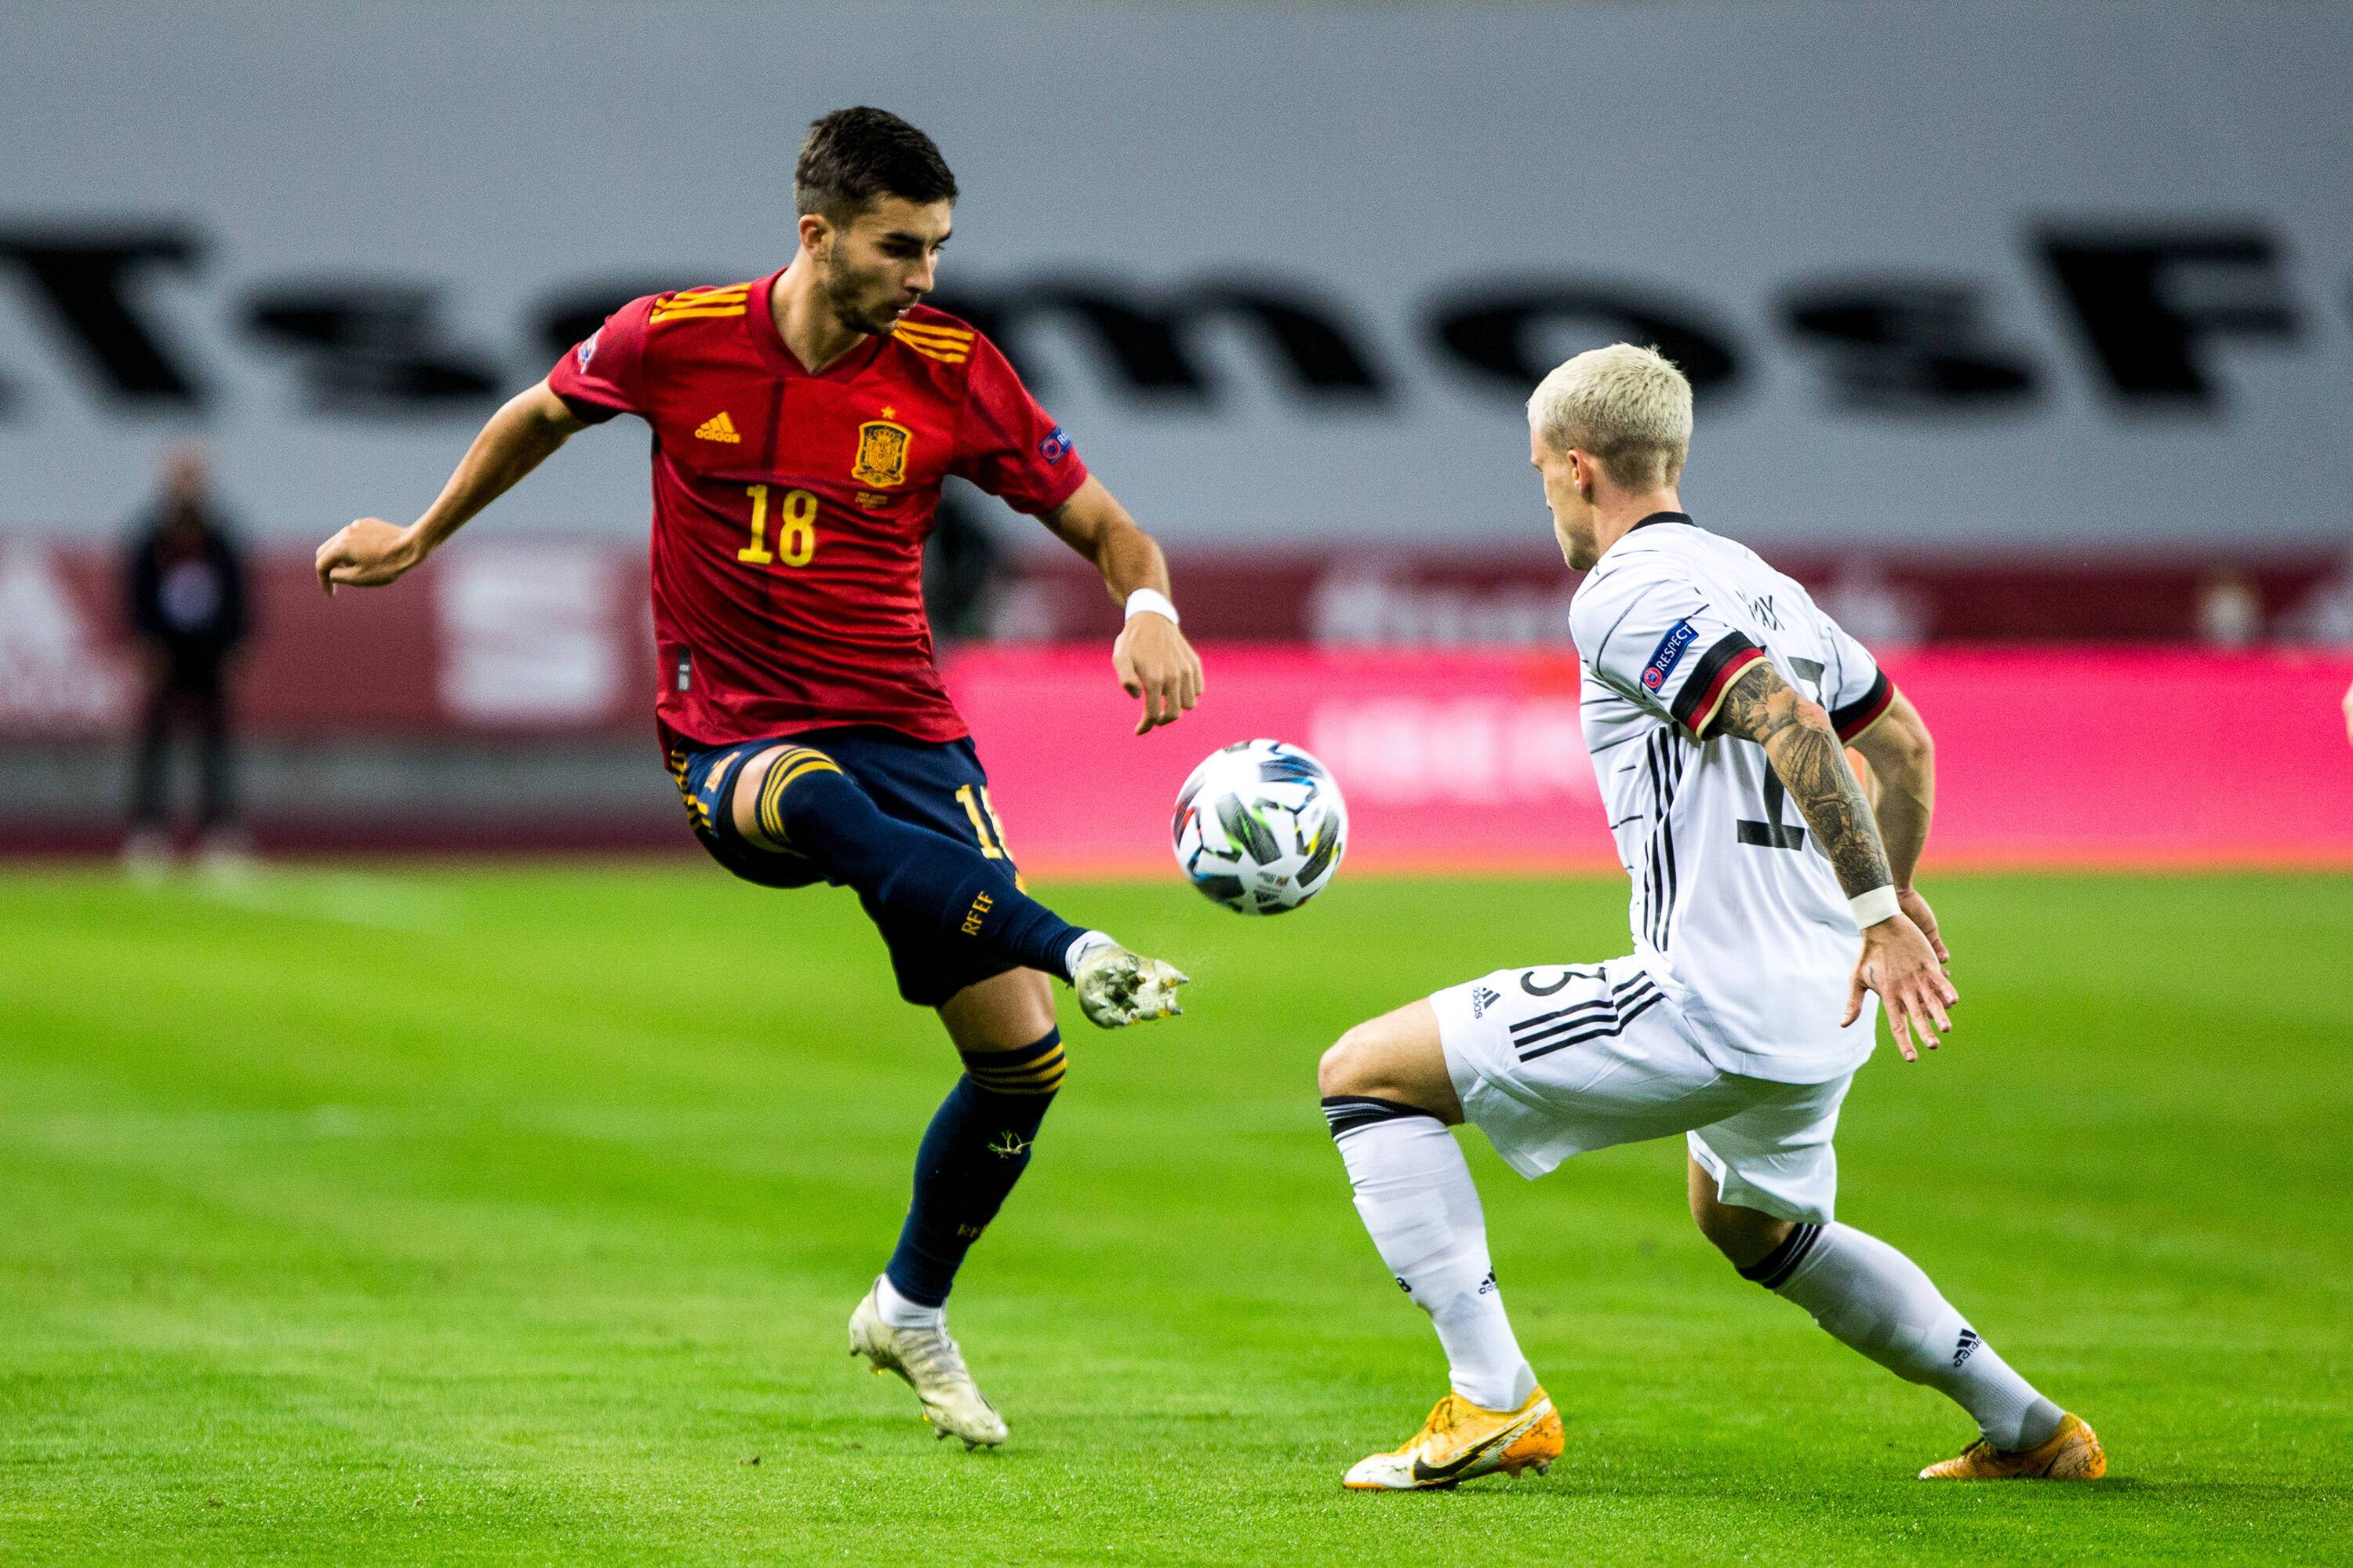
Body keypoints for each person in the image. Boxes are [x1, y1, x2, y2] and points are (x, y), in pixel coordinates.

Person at [312, 107, 1204, 1450]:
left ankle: (909, 1306)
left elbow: (1105, 523)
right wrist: (420, 537)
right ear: (817, 235)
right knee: (821, 803)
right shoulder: (672, 339)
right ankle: (1075, 940)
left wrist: (1149, 610)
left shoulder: (955, 371)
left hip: (907, 729)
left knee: (1021, 1063)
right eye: (900, 248)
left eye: (938, 247)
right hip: (731, 731)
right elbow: (542, 413)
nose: (926, 275)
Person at [1317, 344, 2102, 1490]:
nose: (1545, 499)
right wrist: (1879, 898)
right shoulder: (1764, 584)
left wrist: (1881, 911)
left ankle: (1494, 1399)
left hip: (1713, 1000)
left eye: (1539, 473)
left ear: (1578, 468)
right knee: (1748, 1223)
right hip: (1823, 1005)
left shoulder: (1623, 594)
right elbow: (1904, 743)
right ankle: (2031, 1427)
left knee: (1365, 1075)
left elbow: (1789, 721)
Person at [124, 443, 251, 868]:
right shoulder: (150, 541)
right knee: (155, 744)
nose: (187, 487)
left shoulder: (220, 540)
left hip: (209, 654)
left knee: (215, 745)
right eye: (181, 477)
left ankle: (219, 831)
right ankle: (149, 832)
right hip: (166, 654)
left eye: (193, 477)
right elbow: (136, 598)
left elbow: (238, 599)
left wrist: (235, 646)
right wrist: (144, 644)